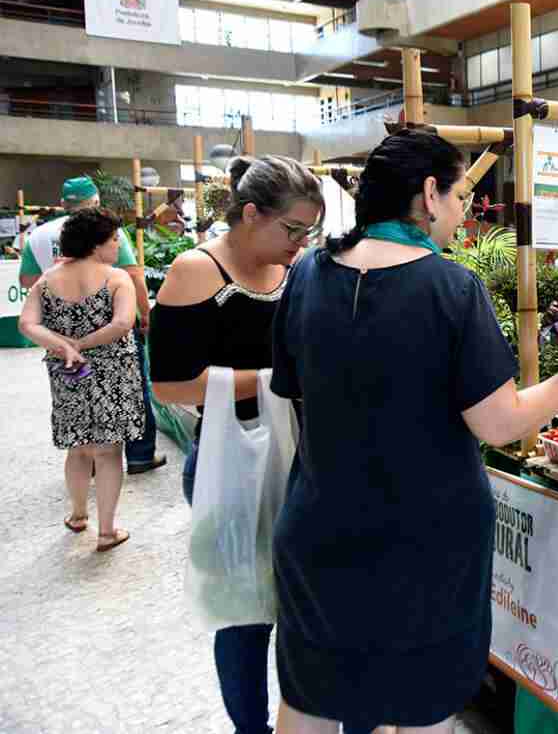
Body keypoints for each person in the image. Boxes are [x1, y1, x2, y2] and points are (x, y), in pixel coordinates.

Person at [268, 129, 558, 733]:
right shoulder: (452, 288)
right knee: (420, 700)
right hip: (425, 540)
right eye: (459, 198)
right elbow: (500, 423)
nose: (461, 215)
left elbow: (298, 392)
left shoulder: (307, 277)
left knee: (312, 691)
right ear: (429, 194)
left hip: (320, 524)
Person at [149, 155, 369, 734]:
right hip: (230, 457)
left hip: (298, 454)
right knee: (244, 615)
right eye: (291, 230)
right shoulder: (196, 272)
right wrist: (273, 381)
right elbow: (169, 382)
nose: (299, 244)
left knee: (304, 601)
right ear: (250, 213)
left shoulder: (293, 272)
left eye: (308, 233)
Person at [18, 207, 144, 552]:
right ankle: (106, 531)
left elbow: (26, 324)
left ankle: (77, 515)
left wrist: (63, 346)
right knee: (108, 452)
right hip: (114, 369)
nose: (118, 246)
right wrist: (84, 343)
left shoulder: (48, 280)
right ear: (96, 243)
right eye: (115, 239)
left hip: (67, 371)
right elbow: (122, 324)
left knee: (78, 447)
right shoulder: (117, 278)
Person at [20, 177, 163, 475]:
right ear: (95, 201)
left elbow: (26, 282)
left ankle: (87, 464)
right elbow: (133, 275)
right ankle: (139, 456)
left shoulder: (38, 235)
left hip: (61, 337)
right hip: (109, 337)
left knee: (74, 396)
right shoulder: (108, 233)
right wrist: (146, 313)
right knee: (132, 392)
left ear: (63, 203)